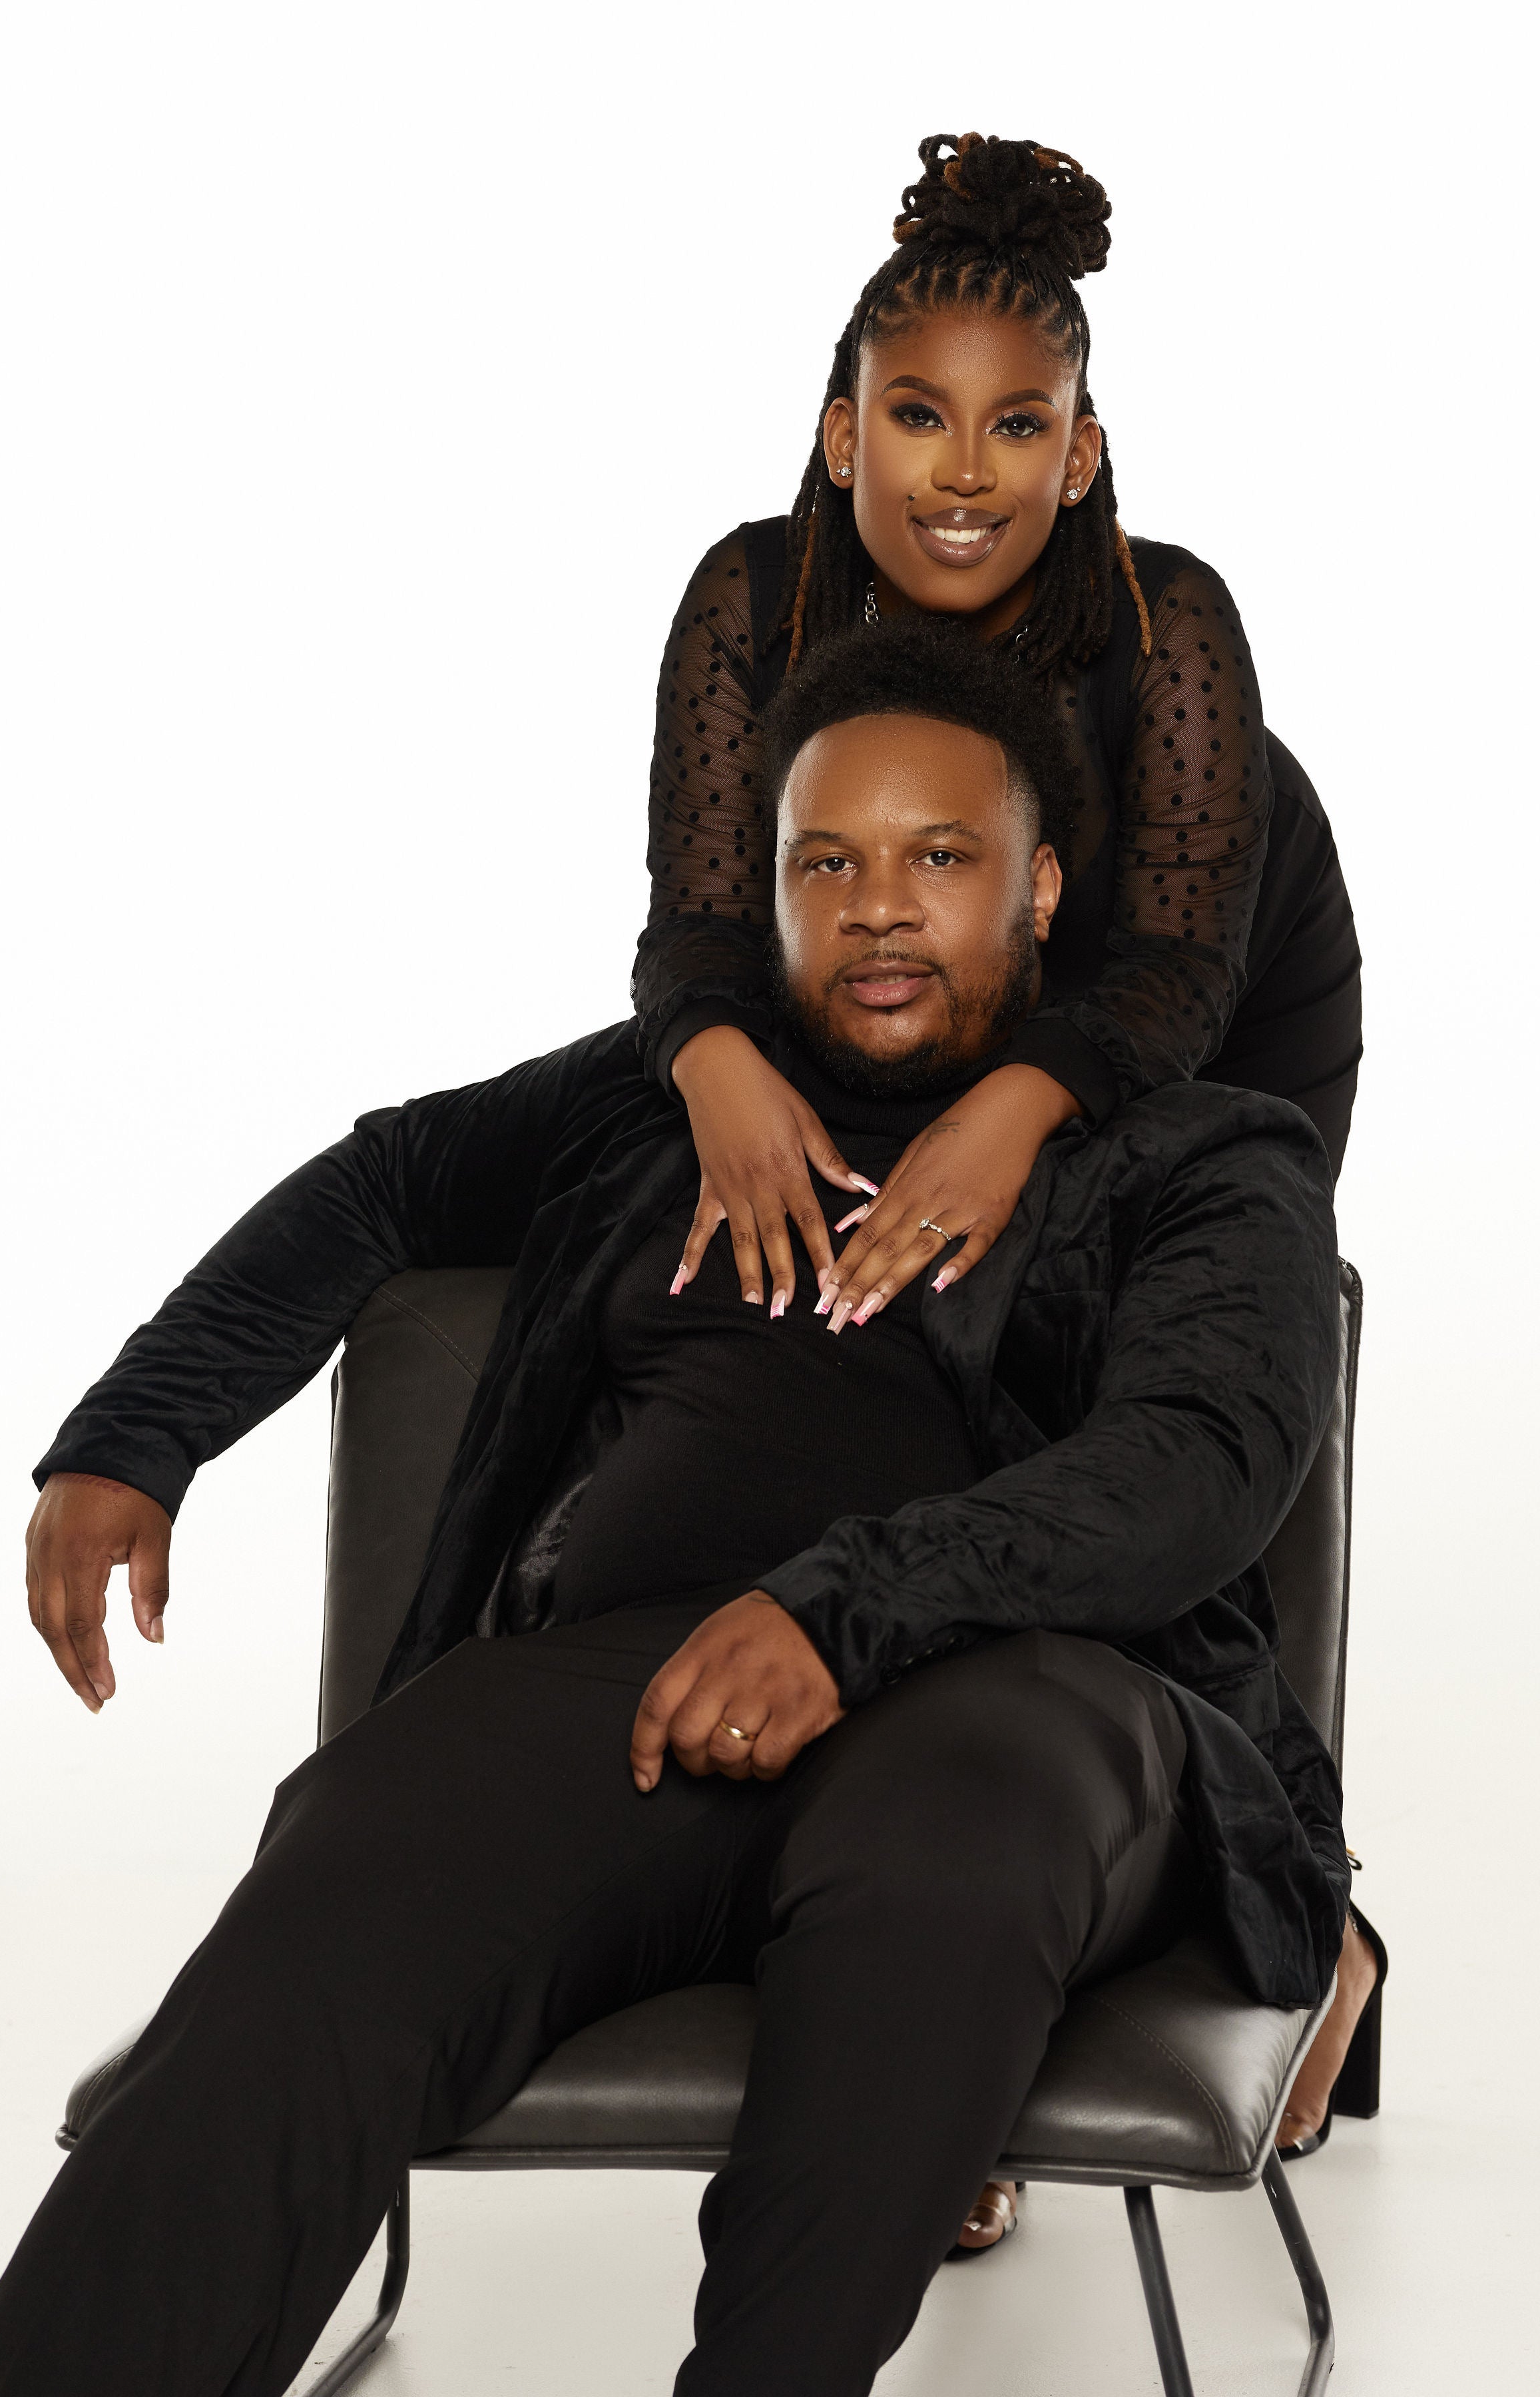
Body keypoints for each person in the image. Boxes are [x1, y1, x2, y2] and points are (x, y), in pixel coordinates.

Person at [0, 624, 1348, 2397]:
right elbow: (384, 1183)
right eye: (826, 863)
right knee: (354, 1868)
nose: (879, 909)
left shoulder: (1196, 1156)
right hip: (629, 1682)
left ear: (1043, 885)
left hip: (1031, 1693)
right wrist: (131, 1440)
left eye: (940, 857)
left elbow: (1198, 1461)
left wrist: (839, 1610)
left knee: (944, 1859)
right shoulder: (670, 1099)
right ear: (766, 892)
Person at [632, 134, 1376, 2231]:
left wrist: (1017, 1111)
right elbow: (707, 913)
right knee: (879, 1391)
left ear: (1083, 448)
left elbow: (1174, 973)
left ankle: (1297, 1904)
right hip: (915, 1008)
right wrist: (709, 1062)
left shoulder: (1170, 620)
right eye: (919, 417)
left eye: (1020, 426)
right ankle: (932, 1984)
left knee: (1131, 1437)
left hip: (1190, 1020)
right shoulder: (750, 598)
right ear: (840, 429)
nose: (966, 473)